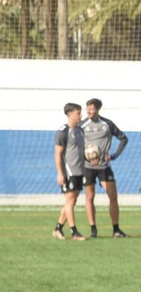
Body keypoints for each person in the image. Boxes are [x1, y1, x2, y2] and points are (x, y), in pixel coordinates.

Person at [80, 98, 129, 238]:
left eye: (92, 108)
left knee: (112, 196)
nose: (89, 111)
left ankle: (116, 230)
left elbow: (123, 138)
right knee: (90, 196)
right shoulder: (82, 125)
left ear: (98, 109)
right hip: (87, 167)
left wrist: (113, 156)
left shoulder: (107, 124)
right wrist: (84, 157)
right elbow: (75, 143)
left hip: (104, 166)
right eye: (87, 108)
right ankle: (93, 229)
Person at [52, 102, 87, 242]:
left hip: (80, 171)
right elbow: (58, 154)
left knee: (71, 201)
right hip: (69, 172)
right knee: (70, 201)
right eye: (78, 113)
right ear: (70, 114)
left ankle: (58, 228)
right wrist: (60, 173)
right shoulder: (63, 132)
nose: (81, 115)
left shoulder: (80, 130)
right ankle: (74, 232)